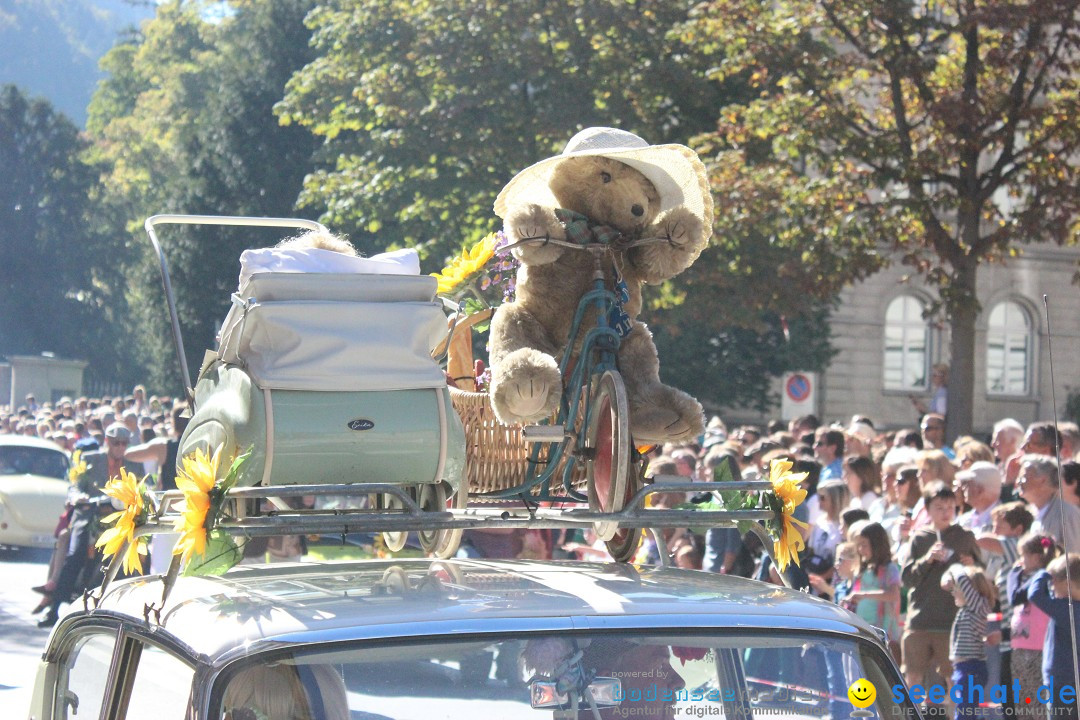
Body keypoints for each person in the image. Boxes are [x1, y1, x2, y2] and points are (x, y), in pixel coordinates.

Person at [37, 423, 144, 627]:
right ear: (107, 442)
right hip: (88, 515)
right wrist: (80, 497)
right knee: (75, 553)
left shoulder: (134, 466)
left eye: (124, 443)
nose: (120, 447)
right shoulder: (89, 460)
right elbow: (74, 487)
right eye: (116, 443)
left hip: (118, 521)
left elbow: (141, 491)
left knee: (135, 557)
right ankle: (54, 608)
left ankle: (129, 612)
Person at [900, 481, 981, 692]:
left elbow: (981, 575)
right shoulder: (919, 538)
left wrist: (973, 566)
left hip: (951, 621)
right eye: (939, 508)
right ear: (927, 510)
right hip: (920, 620)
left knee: (952, 678)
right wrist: (927, 559)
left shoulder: (964, 537)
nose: (946, 512)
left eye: (950, 507)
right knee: (913, 677)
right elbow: (907, 578)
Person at [1007, 533, 1058, 720]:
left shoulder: (1042, 578)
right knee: (1023, 703)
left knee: (1038, 703)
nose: (1021, 561)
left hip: (1038, 651)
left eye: (1024, 556)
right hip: (1021, 650)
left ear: (1037, 557)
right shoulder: (1032, 578)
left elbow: (1015, 596)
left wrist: (1013, 574)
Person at [1025, 553, 1080, 720]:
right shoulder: (1067, 608)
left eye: (1054, 581)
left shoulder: (1067, 610)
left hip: (1063, 682)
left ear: (1068, 584)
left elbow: (1034, 595)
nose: (1052, 586)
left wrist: (1043, 572)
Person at [941, 565, 996, 720]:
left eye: (957, 588)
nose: (953, 592)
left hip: (971, 668)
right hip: (963, 668)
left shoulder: (978, 606)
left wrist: (956, 567)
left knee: (965, 712)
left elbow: (963, 580)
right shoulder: (967, 610)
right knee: (966, 709)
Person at [847, 522, 902, 662]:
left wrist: (864, 595)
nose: (860, 549)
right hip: (863, 630)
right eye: (858, 545)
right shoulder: (863, 570)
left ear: (877, 544)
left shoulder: (890, 569)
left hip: (882, 633)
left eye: (864, 545)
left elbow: (894, 594)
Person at [1017, 455, 1080, 552]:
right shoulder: (1034, 513)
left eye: (1023, 477)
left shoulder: (1066, 513)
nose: (1018, 482)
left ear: (1042, 480)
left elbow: (1073, 557)